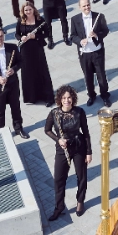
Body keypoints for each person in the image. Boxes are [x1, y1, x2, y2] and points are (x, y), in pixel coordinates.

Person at [45, 86, 92, 220]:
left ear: (73, 98)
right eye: (64, 98)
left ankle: (80, 202)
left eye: (69, 97)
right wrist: (58, 139)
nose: (67, 100)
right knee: (59, 179)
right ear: (60, 99)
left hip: (79, 147)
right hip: (63, 149)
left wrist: (89, 152)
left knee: (81, 176)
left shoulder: (80, 112)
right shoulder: (54, 113)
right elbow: (47, 130)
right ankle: (59, 207)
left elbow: (86, 133)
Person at [69, 0, 110, 105]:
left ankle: (105, 95)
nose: (87, 7)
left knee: (101, 75)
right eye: (84, 6)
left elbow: (105, 31)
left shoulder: (99, 16)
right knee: (88, 76)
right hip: (84, 54)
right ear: (79, 7)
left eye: (88, 5)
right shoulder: (74, 19)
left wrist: (96, 35)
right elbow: (72, 36)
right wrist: (80, 41)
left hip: (97, 51)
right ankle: (91, 95)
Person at [16, 3, 54, 107]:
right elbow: (17, 34)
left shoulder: (40, 20)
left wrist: (35, 36)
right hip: (25, 50)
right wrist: (21, 38)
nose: (28, 12)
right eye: (26, 10)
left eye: (30, 9)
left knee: (41, 71)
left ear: (33, 9)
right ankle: (32, 97)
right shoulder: (20, 21)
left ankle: (47, 97)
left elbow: (47, 33)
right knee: (28, 72)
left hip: (37, 48)